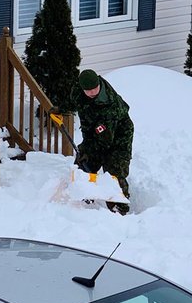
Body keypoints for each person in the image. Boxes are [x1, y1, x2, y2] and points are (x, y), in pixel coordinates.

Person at [55, 68, 134, 214]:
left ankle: (119, 210)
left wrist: (89, 150)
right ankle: (85, 198)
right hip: (96, 133)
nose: (92, 92)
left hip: (118, 136)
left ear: (99, 83)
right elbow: (74, 102)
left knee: (114, 171)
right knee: (82, 164)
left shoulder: (111, 105)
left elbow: (105, 141)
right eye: (88, 90)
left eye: (95, 88)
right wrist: (61, 109)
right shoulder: (78, 91)